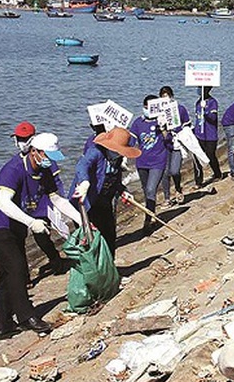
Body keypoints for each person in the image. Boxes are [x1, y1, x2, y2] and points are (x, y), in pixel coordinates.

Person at [0, 133, 81, 339]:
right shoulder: (14, 169)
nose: (50, 160)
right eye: (47, 155)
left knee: (8, 273)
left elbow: (57, 199)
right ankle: (26, 317)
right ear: (34, 152)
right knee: (17, 267)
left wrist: (80, 220)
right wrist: (32, 222)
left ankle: (3, 325)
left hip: (17, 223)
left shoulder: (45, 170)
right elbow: (3, 203)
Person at [70, 127, 141, 257]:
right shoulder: (95, 152)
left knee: (109, 235)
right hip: (87, 201)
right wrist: (85, 181)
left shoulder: (117, 158)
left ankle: (110, 271)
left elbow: (115, 179)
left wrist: (123, 191)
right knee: (92, 239)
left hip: (104, 200)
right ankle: (95, 274)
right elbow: (82, 166)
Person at [11, 121, 69, 276]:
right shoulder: (16, 163)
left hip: (41, 203)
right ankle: (24, 275)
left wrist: (58, 205)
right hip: (21, 205)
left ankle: (55, 260)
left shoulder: (45, 158)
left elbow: (56, 184)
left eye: (25, 139)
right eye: (19, 138)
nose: (21, 143)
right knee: (18, 240)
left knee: (42, 237)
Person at [130, 95, 171, 232]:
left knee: (150, 189)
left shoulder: (161, 121)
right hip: (142, 162)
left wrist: (164, 127)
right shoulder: (137, 123)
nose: (149, 110)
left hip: (158, 161)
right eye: (147, 107)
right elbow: (131, 142)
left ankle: (149, 219)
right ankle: (150, 212)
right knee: (146, 190)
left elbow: (169, 141)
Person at [159, 86, 191, 207]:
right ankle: (167, 198)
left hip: (177, 144)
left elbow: (187, 125)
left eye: (167, 95)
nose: (165, 98)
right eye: (162, 96)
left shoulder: (180, 109)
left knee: (175, 171)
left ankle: (178, 188)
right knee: (165, 172)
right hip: (165, 145)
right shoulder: (159, 112)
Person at [192, 87, 223, 186]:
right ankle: (198, 181)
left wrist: (205, 110)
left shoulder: (212, 102)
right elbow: (197, 118)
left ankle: (217, 174)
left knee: (210, 155)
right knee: (197, 158)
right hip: (199, 134)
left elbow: (213, 118)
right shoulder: (198, 102)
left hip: (210, 134)